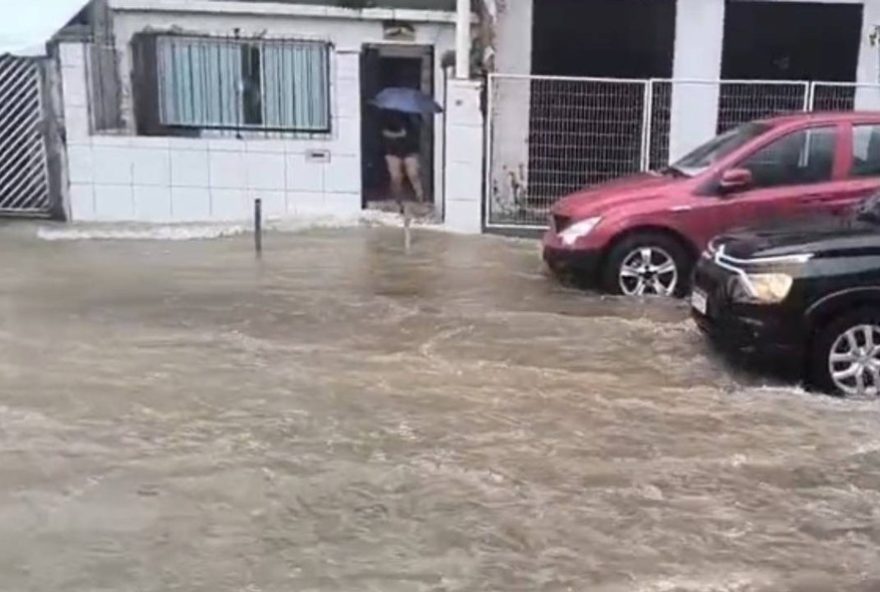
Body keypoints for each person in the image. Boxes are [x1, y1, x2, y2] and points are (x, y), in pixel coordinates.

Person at [381, 110, 424, 203]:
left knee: (413, 174)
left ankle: (420, 199)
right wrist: (399, 134)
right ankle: (397, 200)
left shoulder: (414, 115)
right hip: (393, 149)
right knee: (396, 177)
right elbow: (384, 132)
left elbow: (419, 130)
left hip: (410, 148)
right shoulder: (387, 114)